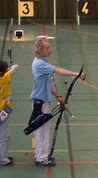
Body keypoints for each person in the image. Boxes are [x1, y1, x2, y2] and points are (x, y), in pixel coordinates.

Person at [31, 38, 85, 167]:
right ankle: (41, 158)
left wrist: (58, 97)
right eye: (47, 48)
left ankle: (42, 156)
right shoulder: (39, 63)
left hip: (43, 100)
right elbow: (58, 70)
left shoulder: (42, 62)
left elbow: (48, 83)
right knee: (41, 131)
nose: (50, 50)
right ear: (40, 49)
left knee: (44, 130)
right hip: (40, 102)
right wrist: (75, 74)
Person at [0, 60, 18, 166]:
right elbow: (16, 66)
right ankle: (2, 159)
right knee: (3, 134)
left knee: (1, 134)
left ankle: (2, 156)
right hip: (2, 108)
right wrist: (9, 68)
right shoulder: (4, 77)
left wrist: (7, 68)